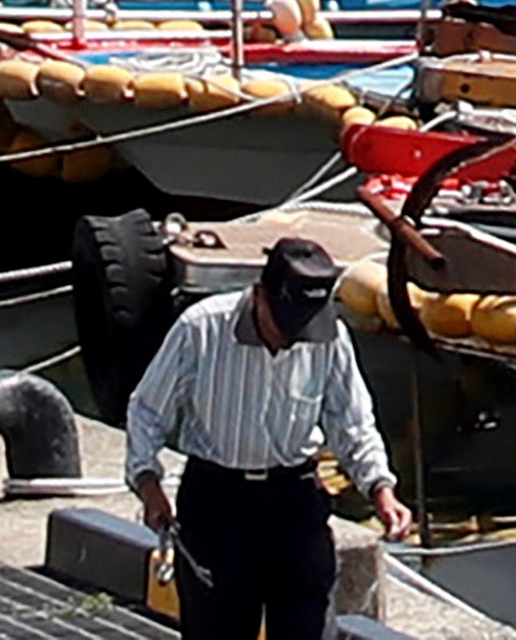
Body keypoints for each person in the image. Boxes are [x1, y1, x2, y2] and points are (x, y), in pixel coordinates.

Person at [125, 232, 415, 640]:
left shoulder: (329, 338)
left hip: (293, 500)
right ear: (259, 295)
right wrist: (147, 481)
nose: (290, 337)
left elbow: (351, 420)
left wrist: (380, 488)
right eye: (282, 321)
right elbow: (146, 410)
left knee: (309, 628)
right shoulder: (200, 329)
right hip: (217, 502)